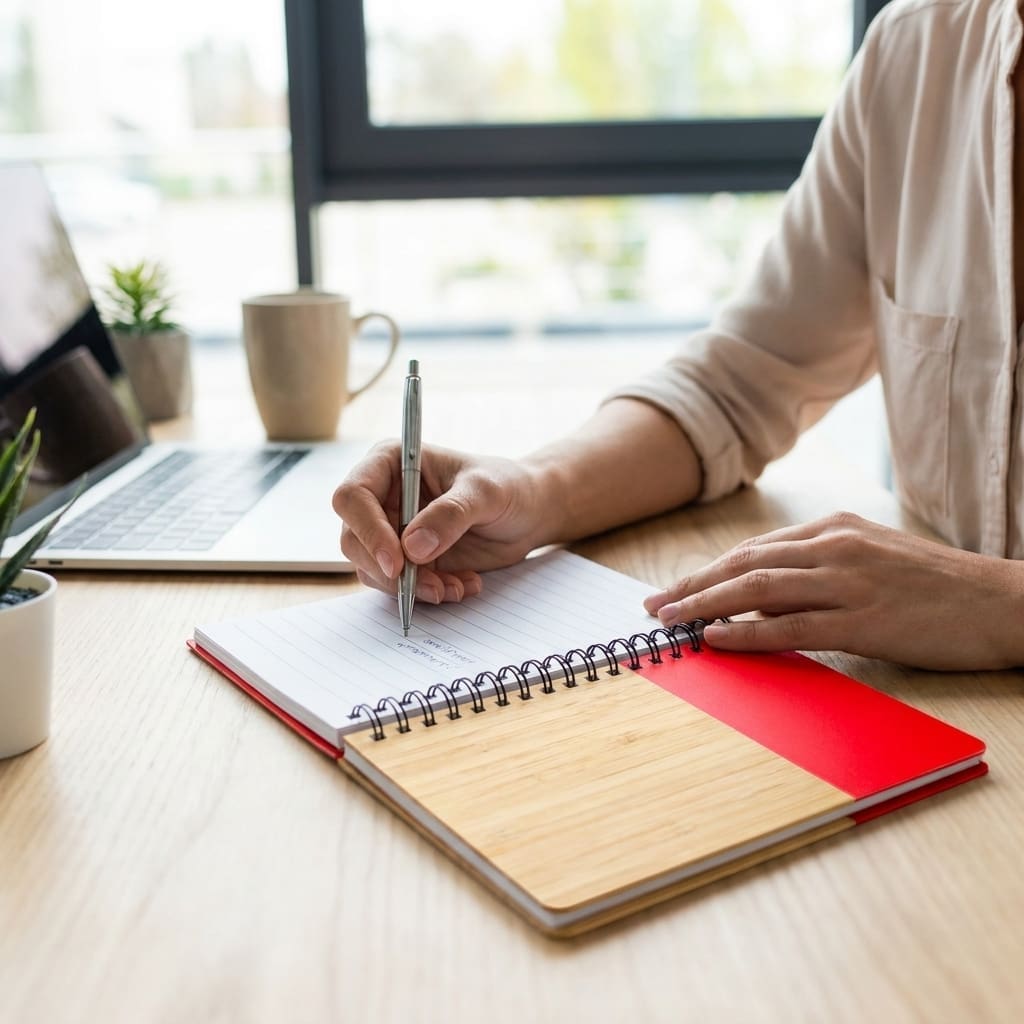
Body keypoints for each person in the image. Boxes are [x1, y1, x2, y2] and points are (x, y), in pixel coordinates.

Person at [334, 0, 1024, 672]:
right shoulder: (916, 50)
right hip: (938, 705)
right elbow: (737, 384)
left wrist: (999, 603)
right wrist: (533, 490)